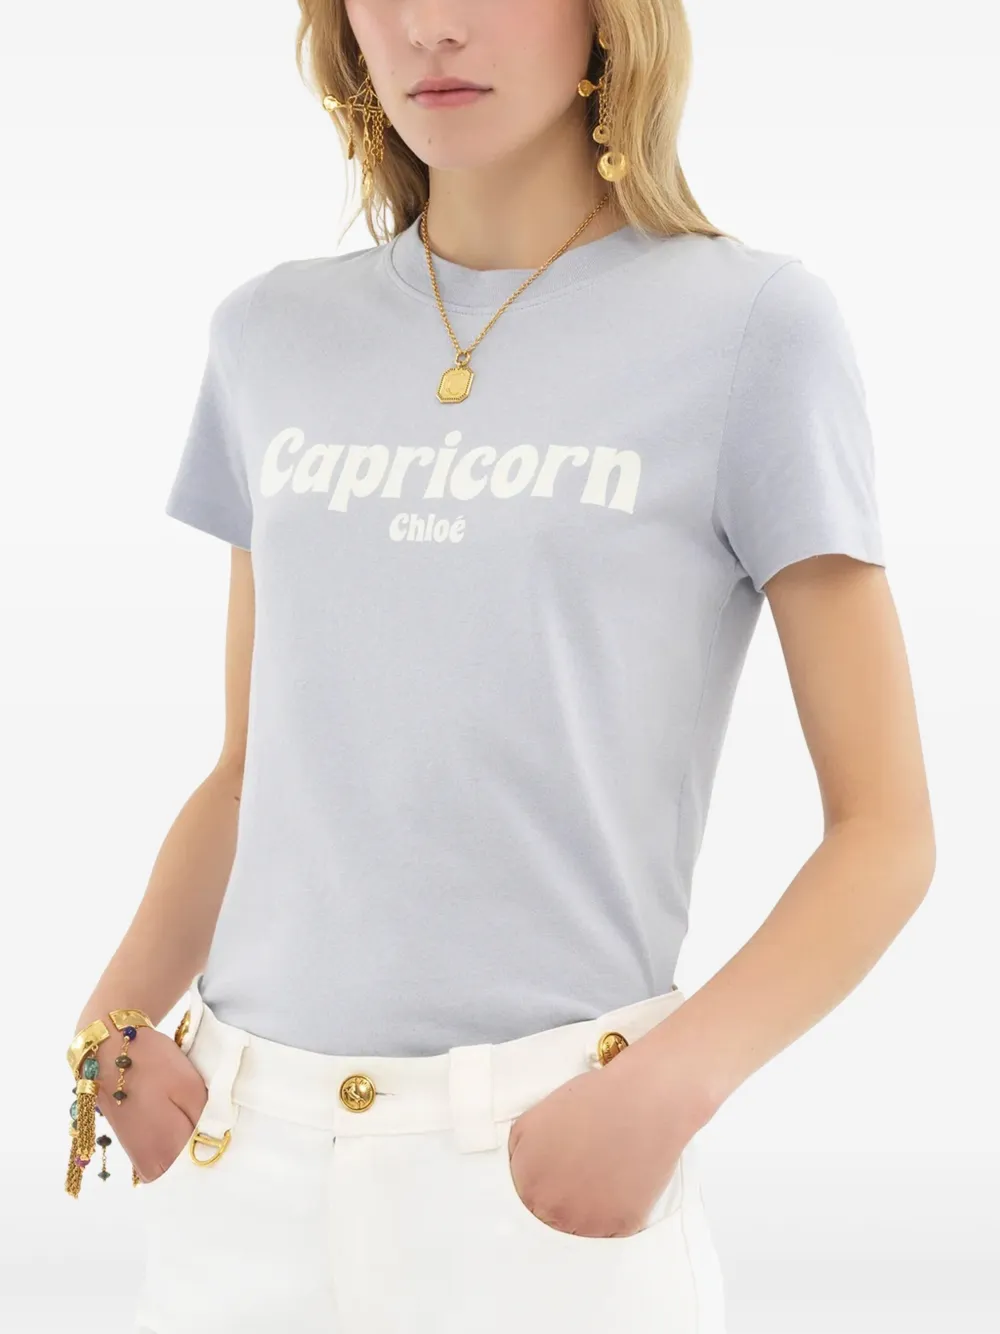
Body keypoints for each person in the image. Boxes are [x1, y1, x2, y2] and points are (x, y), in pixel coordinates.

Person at [65, 2, 935, 1332]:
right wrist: (112, 1023)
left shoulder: (753, 327)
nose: (432, 27)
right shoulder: (269, 335)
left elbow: (885, 830)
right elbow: (253, 771)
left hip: (545, 1177)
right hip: (240, 1175)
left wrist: (669, 1088)